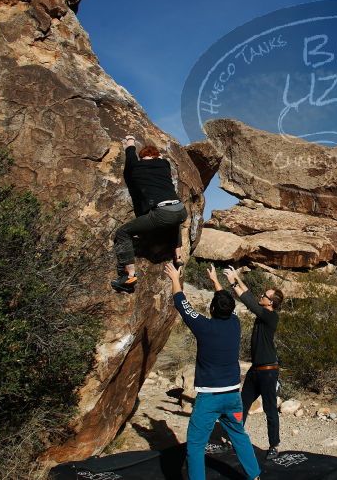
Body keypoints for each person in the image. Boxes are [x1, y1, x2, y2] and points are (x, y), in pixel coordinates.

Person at [164, 262, 261, 480]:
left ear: (212, 309)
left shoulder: (204, 327)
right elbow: (225, 304)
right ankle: (254, 476)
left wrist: (174, 279)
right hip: (233, 396)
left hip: (209, 398)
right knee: (239, 436)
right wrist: (216, 282)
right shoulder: (235, 324)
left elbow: (182, 304)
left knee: (196, 446)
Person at [215, 265, 284, 461]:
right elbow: (249, 298)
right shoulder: (263, 313)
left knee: (270, 410)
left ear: (271, 303)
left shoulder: (271, 316)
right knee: (242, 405)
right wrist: (235, 279)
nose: (262, 295)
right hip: (256, 370)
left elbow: (251, 302)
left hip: (269, 371)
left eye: (265, 295)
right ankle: (232, 440)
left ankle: (274, 445)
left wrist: (235, 281)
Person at [111, 134, 187, 293]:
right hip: (180, 210)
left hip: (163, 213)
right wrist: (157, 155)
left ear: (142, 157)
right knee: (173, 222)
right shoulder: (164, 164)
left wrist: (130, 141)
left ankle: (128, 275)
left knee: (122, 232)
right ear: (156, 156)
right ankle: (178, 257)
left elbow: (130, 155)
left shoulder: (136, 167)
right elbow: (161, 157)